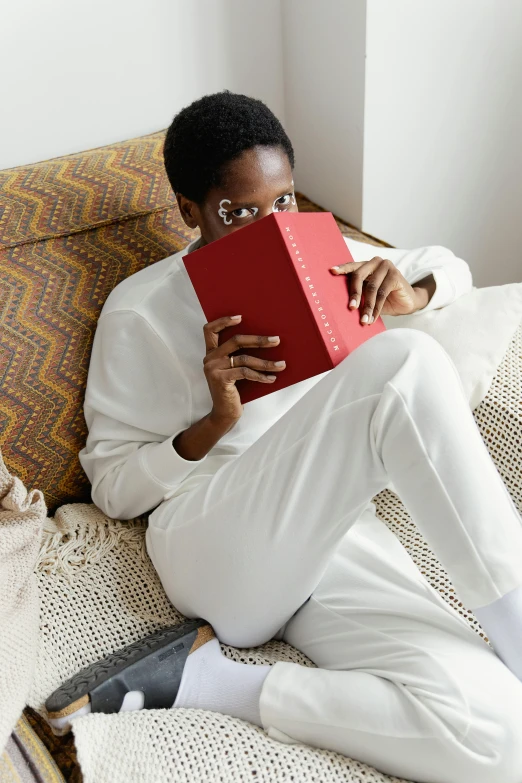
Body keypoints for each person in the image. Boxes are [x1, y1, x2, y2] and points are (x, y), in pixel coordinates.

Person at [47, 91, 522, 783]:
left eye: (284, 202)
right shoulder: (139, 310)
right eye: (237, 213)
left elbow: (451, 267)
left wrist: (411, 290)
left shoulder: (319, 255)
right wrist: (214, 421)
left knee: (504, 737)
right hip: (213, 541)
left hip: (329, 536)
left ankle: (208, 681)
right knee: (404, 365)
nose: (269, 227)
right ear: (189, 210)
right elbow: (114, 491)